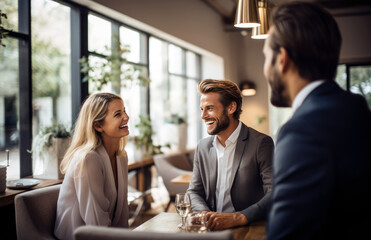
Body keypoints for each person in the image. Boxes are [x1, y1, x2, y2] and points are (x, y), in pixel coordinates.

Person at [263, 2, 371, 239]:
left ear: (282, 59)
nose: (264, 69)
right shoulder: (356, 106)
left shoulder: (303, 131)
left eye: (266, 57)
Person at [187, 79, 274, 231]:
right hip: (211, 228)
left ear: (231, 107)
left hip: (245, 227)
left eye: (210, 108)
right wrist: (206, 215)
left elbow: (274, 193)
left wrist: (238, 217)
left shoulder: (261, 143)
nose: (203, 116)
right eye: (202, 109)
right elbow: (194, 191)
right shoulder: (202, 147)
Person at [54, 92, 130, 240]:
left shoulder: (121, 156)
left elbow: (122, 214)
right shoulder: (88, 159)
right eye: (117, 114)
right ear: (98, 125)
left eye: (124, 111)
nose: (126, 117)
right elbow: (95, 223)